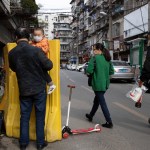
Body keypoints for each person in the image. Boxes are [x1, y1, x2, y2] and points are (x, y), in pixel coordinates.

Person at [9, 27, 53, 150]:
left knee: (24, 116)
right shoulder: (36, 50)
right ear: (29, 38)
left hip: (24, 89)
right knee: (39, 116)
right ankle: (40, 143)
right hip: (39, 89)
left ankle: (23, 144)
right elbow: (49, 65)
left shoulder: (11, 53)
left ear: (16, 38)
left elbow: (13, 68)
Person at [86, 43, 114, 128]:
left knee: (102, 103)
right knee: (97, 101)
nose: (93, 51)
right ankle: (91, 115)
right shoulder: (107, 59)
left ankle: (109, 122)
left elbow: (89, 71)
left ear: (99, 50)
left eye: (94, 49)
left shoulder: (94, 58)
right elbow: (111, 72)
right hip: (105, 84)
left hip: (97, 84)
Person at [31, 27, 56, 94]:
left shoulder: (44, 41)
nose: (36, 37)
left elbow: (45, 50)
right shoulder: (32, 42)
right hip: (36, 61)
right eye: (35, 35)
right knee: (41, 73)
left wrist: (36, 48)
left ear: (43, 36)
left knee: (43, 72)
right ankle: (50, 85)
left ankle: (51, 84)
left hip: (42, 61)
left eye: (38, 35)